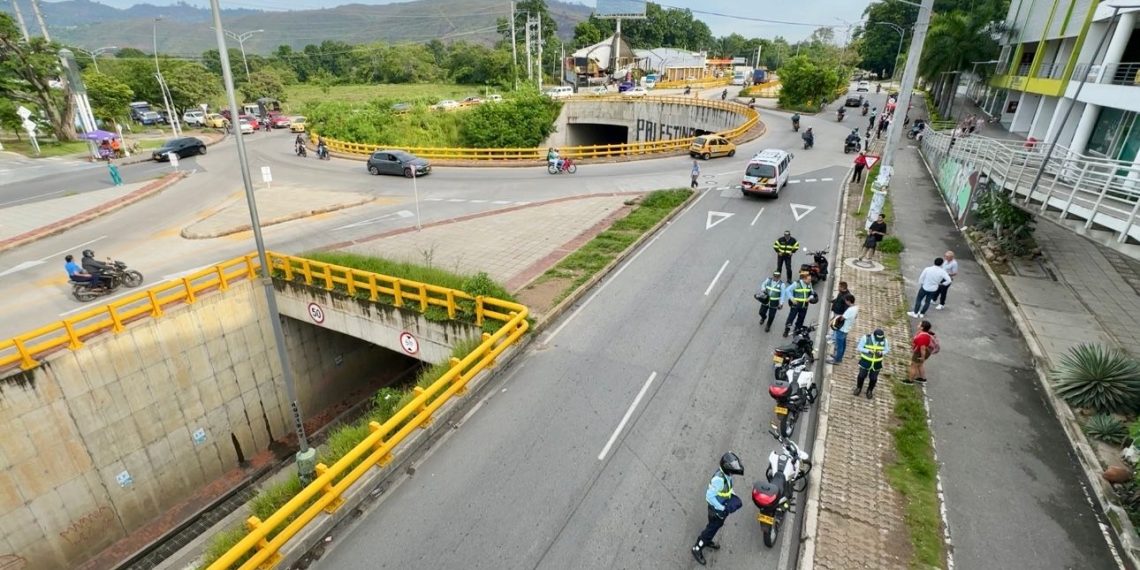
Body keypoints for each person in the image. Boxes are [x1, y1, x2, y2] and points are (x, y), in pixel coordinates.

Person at [691, 452, 744, 566]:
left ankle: (707, 540)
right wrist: (722, 507)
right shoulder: (719, 480)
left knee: (715, 526)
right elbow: (709, 496)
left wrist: (732, 496)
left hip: (721, 508)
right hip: (716, 510)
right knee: (711, 528)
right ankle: (698, 547)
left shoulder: (727, 476)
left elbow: (727, 490)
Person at [854, 329, 890, 399]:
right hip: (865, 361)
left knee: (873, 378)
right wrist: (868, 351)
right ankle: (858, 388)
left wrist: (881, 353)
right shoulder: (866, 338)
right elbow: (859, 347)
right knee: (861, 376)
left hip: (877, 363)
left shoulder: (885, 340)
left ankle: (870, 390)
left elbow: (887, 350)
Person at [782, 271, 814, 337]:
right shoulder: (796, 284)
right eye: (809, 279)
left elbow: (812, 293)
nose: (810, 281)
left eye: (810, 279)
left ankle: (797, 331)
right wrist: (792, 298)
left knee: (801, 319)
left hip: (804, 305)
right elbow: (787, 290)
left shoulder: (809, 284)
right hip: (796, 305)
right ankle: (787, 330)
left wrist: (810, 297)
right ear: (804, 279)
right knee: (791, 318)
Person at [828, 294, 858, 364]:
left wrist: (836, 318)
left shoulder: (850, 310)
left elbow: (842, 318)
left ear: (848, 301)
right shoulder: (856, 308)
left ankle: (837, 360)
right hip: (847, 328)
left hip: (842, 329)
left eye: (846, 301)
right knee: (843, 344)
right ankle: (839, 356)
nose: (845, 302)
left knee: (840, 346)